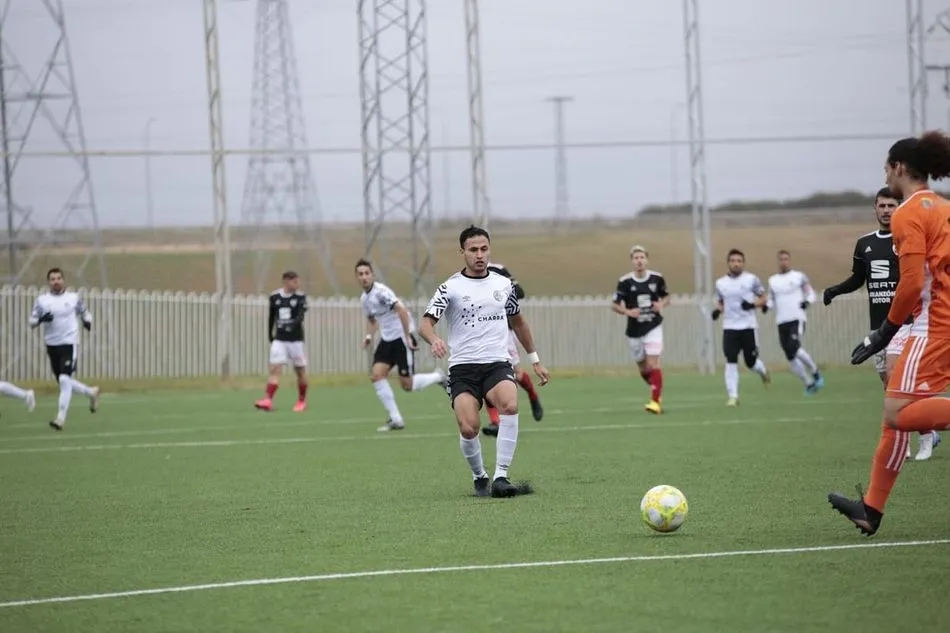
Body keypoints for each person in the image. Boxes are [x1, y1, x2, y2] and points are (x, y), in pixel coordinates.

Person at [830, 130, 950, 536]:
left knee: (898, 412)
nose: (885, 173)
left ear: (899, 168)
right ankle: (871, 511)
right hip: (936, 321)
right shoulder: (943, 208)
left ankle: (872, 509)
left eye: (887, 167)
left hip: (932, 324)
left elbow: (912, 284)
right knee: (892, 416)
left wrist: (883, 332)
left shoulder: (908, 212)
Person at [419, 225, 550, 498]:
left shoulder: (504, 285)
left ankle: (502, 476)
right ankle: (480, 475)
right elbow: (426, 323)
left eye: (484, 249)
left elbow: (519, 322)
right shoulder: (450, 287)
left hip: (496, 363)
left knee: (510, 404)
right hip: (463, 368)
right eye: (473, 250)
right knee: (469, 428)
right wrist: (435, 340)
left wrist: (535, 359)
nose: (479, 255)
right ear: (462, 252)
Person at [823, 187, 940, 461]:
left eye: (891, 205)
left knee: (893, 375)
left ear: (899, 207)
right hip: (879, 327)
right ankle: (928, 430)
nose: (887, 210)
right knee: (891, 387)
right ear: (875, 208)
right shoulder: (865, 244)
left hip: (907, 321)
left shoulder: (909, 238)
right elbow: (857, 279)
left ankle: (916, 441)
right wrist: (834, 291)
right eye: (882, 206)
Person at [355, 259, 448, 432]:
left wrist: (407, 336)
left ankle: (438, 377)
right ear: (357, 277)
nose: (364, 277)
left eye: (367, 273)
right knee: (376, 375)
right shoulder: (364, 299)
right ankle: (396, 419)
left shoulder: (381, 292)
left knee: (408, 385)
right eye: (360, 274)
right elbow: (372, 320)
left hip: (401, 338)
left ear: (372, 275)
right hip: (387, 339)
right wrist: (369, 335)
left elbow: (402, 311)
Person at [29, 268, 100, 431]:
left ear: (63, 280)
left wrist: (87, 321)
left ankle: (60, 418)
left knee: (64, 380)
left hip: (69, 342)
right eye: (53, 279)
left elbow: (85, 312)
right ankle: (91, 392)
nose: (56, 281)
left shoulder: (73, 298)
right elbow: (31, 321)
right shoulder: (42, 301)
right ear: (49, 282)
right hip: (52, 344)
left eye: (59, 278)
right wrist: (40, 319)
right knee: (63, 381)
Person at [481, 261, 543, 437]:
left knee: (516, 374)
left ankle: (532, 395)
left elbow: (520, 292)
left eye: (483, 248)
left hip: (504, 331)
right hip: (482, 334)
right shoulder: (465, 278)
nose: (479, 254)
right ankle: (495, 422)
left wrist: (498, 292)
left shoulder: (498, 270)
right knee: (485, 374)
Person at [612, 245, 670, 414]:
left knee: (653, 363)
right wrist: (628, 312)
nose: (639, 261)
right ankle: (656, 391)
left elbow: (666, 297)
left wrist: (661, 304)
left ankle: (654, 402)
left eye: (642, 257)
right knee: (644, 369)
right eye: (636, 258)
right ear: (632, 261)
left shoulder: (657, 279)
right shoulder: (625, 282)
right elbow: (615, 305)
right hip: (634, 330)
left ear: (647, 259)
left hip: (653, 326)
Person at [712, 249, 771, 406]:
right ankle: (733, 396)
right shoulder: (720, 283)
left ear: (743, 263)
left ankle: (762, 370)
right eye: (733, 261)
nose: (736, 264)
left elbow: (764, 298)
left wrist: (753, 304)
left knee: (750, 362)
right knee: (731, 360)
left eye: (739, 261)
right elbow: (720, 302)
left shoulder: (751, 280)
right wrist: (718, 311)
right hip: (729, 327)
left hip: (748, 326)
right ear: (728, 263)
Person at [767, 250, 823, 395]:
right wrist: (766, 306)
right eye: (781, 259)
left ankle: (815, 371)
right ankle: (808, 383)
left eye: (786, 259)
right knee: (790, 356)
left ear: (789, 260)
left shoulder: (799, 277)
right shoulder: (773, 280)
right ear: (778, 261)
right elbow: (771, 300)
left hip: (797, 318)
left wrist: (807, 302)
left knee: (794, 347)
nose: (783, 262)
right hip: (781, 321)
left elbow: (810, 293)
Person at [255, 271, 308, 412]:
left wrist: (291, 325)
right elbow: (271, 316)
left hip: (296, 340)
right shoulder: (275, 297)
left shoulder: (300, 297)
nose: (297, 284)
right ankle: (268, 399)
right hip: (279, 340)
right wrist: (270, 335)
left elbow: (300, 316)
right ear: (286, 282)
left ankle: (302, 401)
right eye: (294, 282)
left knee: (300, 371)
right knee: (274, 369)